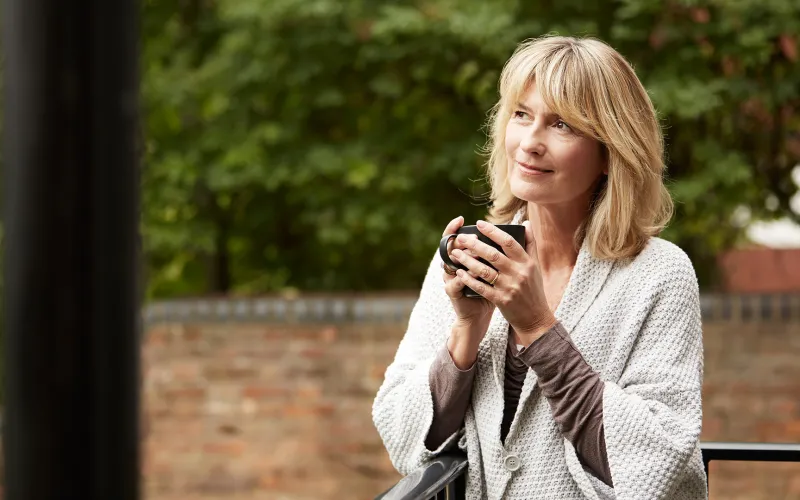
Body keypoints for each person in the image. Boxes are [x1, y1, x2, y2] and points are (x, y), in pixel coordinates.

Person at [372, 35, 707, 500]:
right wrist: (466, 335)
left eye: (562, 125)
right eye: (521, 115)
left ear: (611, 152)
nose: (530, 143)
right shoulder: (470, 252)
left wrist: (536, 326)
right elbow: (400, 429)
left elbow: (657, 458)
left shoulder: (659, 274)